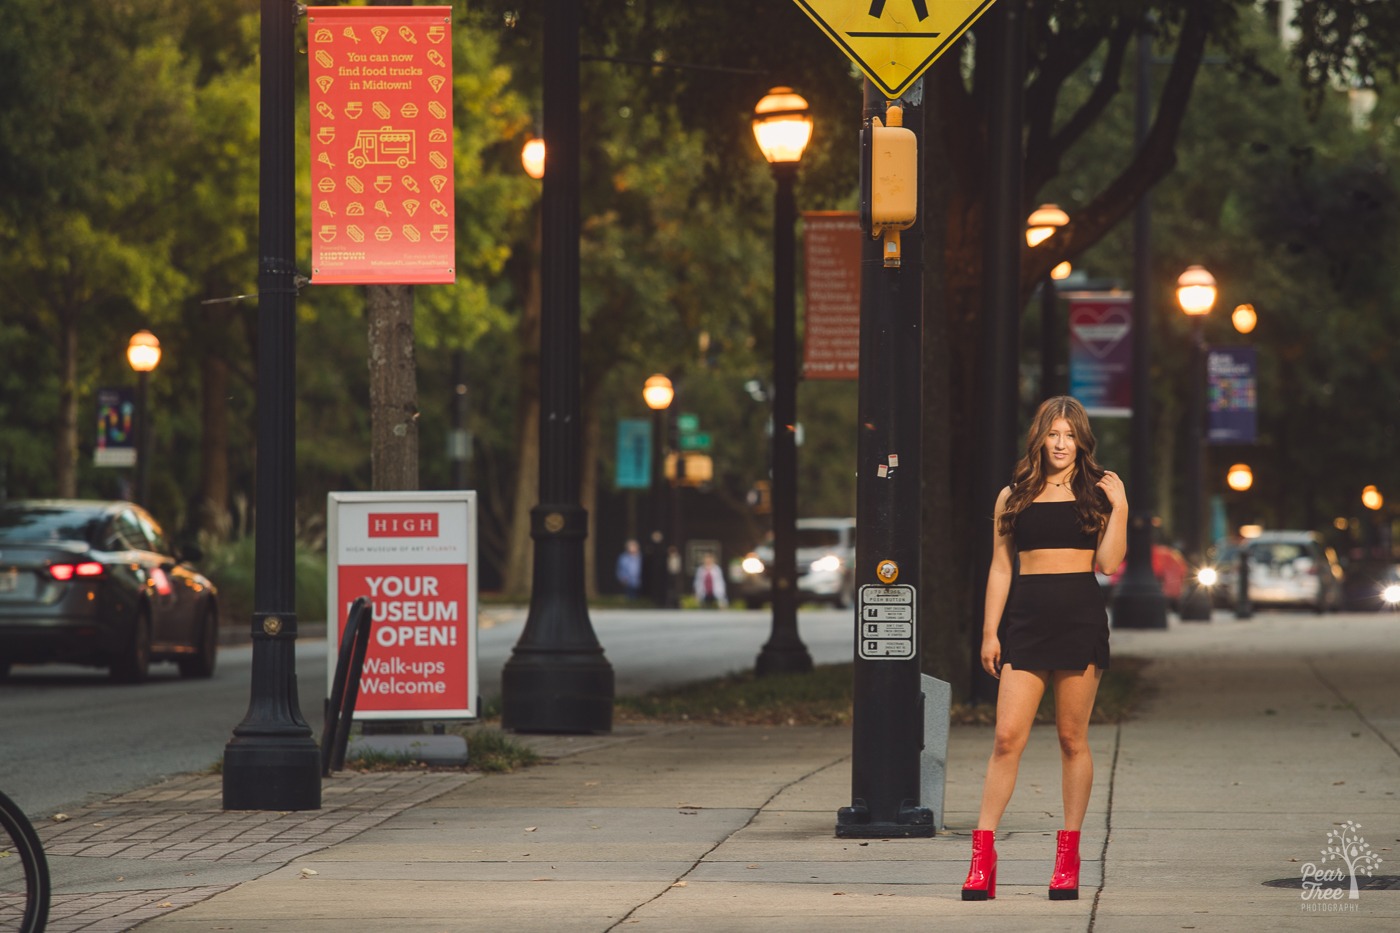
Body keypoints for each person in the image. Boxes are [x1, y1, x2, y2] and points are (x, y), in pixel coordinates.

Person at [961, 396, 1127, 902]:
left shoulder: (1099, 492)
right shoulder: (1012, 496)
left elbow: (1109, 564)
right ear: (1040, 437)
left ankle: (1067, 860)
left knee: (1072, 740)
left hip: (1079, 618)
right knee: (1007, 738)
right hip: (1027, 622)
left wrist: (1120, 507)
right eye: (1052, 434)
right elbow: (1000, 567)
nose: (1060, 444)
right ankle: (982, 860)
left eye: (1069, 435)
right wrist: (990, 632)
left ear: (1081, 441)